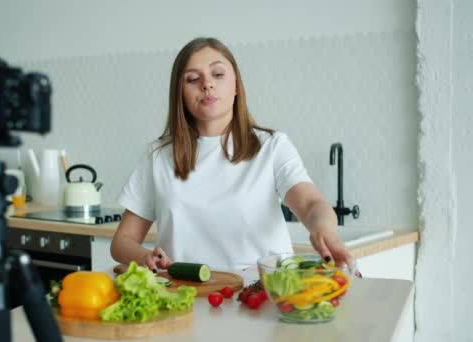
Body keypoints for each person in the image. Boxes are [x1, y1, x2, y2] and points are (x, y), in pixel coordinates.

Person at [110, 37, 353, 272]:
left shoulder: (272, 146)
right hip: (187, 298)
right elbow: (123, 240)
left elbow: (311, 204)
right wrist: (144, 257)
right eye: (193, 79)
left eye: (218, 74)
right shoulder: (158, 156)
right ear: (180, 94)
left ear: (236, 85)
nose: (207, 84)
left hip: (261, 295)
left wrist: (324, 230)